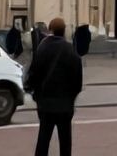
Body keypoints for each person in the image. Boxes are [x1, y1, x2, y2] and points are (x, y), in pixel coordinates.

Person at [24, 18, 81, 156]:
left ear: (51, 30)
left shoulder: (42, 48)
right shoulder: (71, 50)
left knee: (43, 141)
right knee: (65, 143)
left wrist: (36, 95)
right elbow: (77, 81)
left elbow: (33, 75)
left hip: (46, 105)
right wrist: (71, 99)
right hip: (65, 106)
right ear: (64, 31)